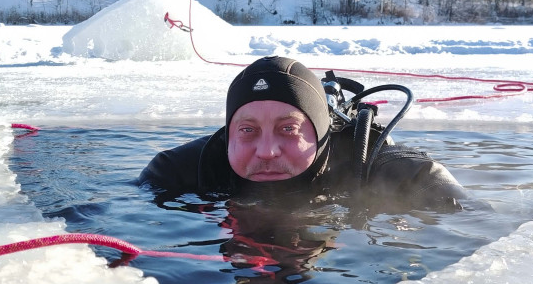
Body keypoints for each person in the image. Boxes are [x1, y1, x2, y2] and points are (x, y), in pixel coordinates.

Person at [139, 55, 472, 211]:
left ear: (320, 131)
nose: (267, 151)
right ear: (229, 134)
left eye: (288, 129)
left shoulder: (390, 171)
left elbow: (475, 224)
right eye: (248, 130)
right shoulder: (176, 170)